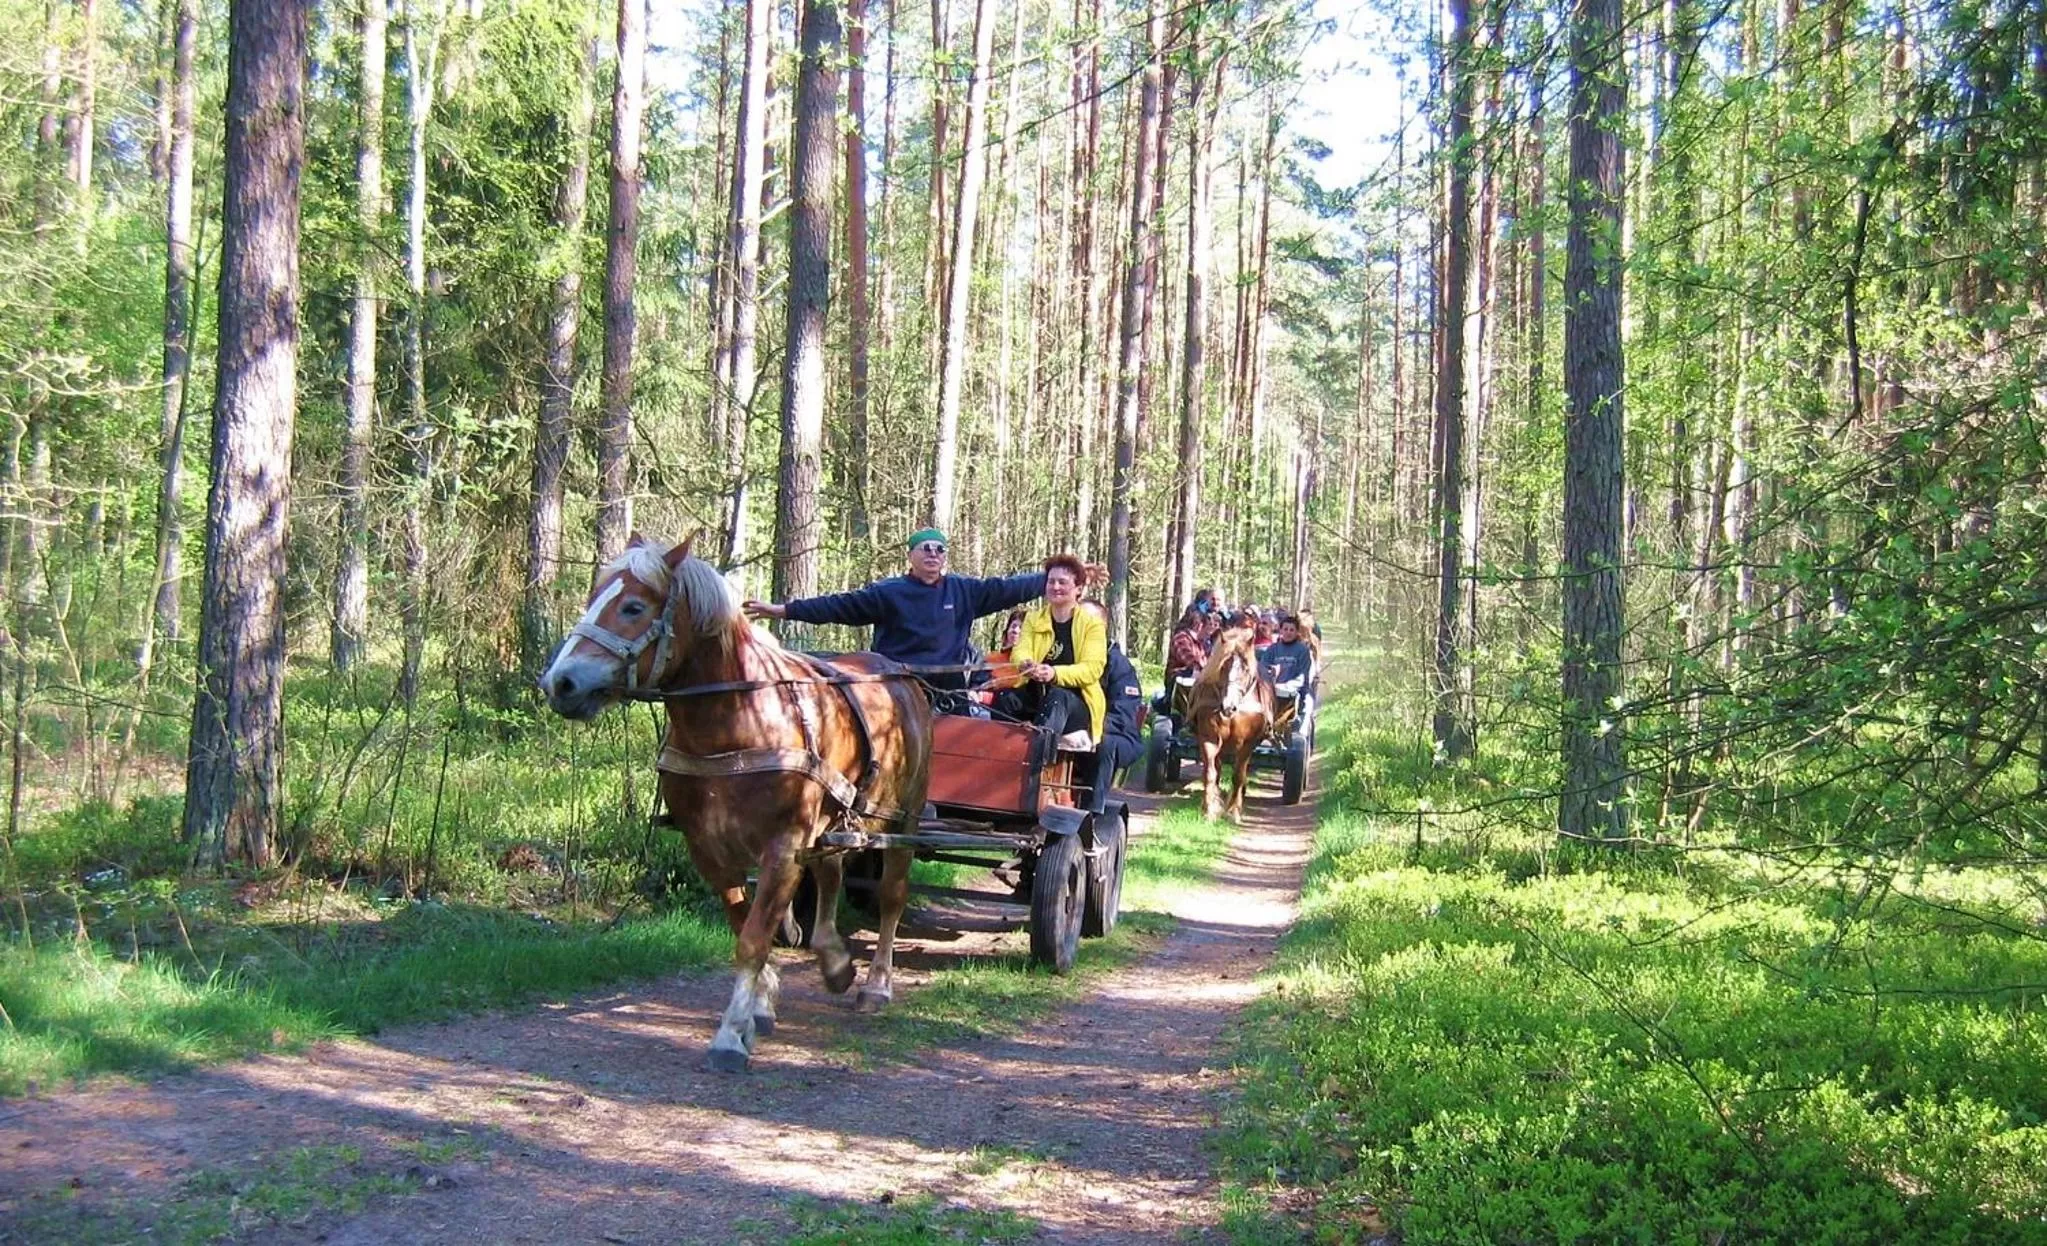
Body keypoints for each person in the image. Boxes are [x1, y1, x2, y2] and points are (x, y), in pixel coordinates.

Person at [744, 528, 1095, 692]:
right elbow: (837, 606)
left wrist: (1065, 576)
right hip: (892, 685)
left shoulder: (964, 590)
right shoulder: (888, 592)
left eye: (940, 549)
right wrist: (782, 610)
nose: (933, 555)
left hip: (948, 690)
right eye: (925, 549)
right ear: (910, 556)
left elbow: (1008, 588)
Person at [995, 555, 1105, 750]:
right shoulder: (1032, 619)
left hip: (1074, 704)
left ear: (1078, 589)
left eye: (1062, 582)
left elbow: (1092, 669)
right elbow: (1020, 651)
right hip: (1036, 694)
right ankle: (997, 756)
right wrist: (1026, 664)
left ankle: (1034, 767)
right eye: (1051, 581)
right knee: (1005, 697)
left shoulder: (1092, 625)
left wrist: (1055, 674)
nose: (1055, 587)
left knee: (1058, 698)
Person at [1081, 601, 1144, 785]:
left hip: (1117, 734)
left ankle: (1093, 808)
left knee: (1105, 745)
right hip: (1069, 730)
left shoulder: (1119, 665)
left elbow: (1123, 714)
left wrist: (1088, 729)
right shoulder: (1064, 653)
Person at [1259, 612, 1317, 736]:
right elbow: (1263, 668)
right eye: (1285, 629)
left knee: (1308, 703)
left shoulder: (1303, 651)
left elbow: (1303, 676)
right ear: (1280, 630)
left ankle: (1301, 734)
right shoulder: (1273, 649)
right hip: (1272, 691)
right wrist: (1270, 674)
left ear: (1297, 632)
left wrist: (1288, 686)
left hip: (1296, 692)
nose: (1288, 632)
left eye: (1292, 630)